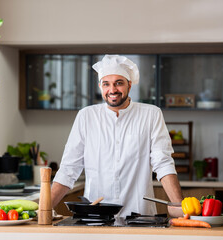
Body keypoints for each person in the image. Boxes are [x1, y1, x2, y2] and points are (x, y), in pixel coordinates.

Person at [51, 54, 183, 217]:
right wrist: (42, 209)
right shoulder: (86, 116)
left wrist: (180, 207)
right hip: (95, 217)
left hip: (139, 216)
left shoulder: (151, 114)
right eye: (106, 84)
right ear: (100, 86)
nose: (112, 90)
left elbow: (163, 163)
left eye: (118, 83)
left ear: (129, 84)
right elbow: (69, 169)